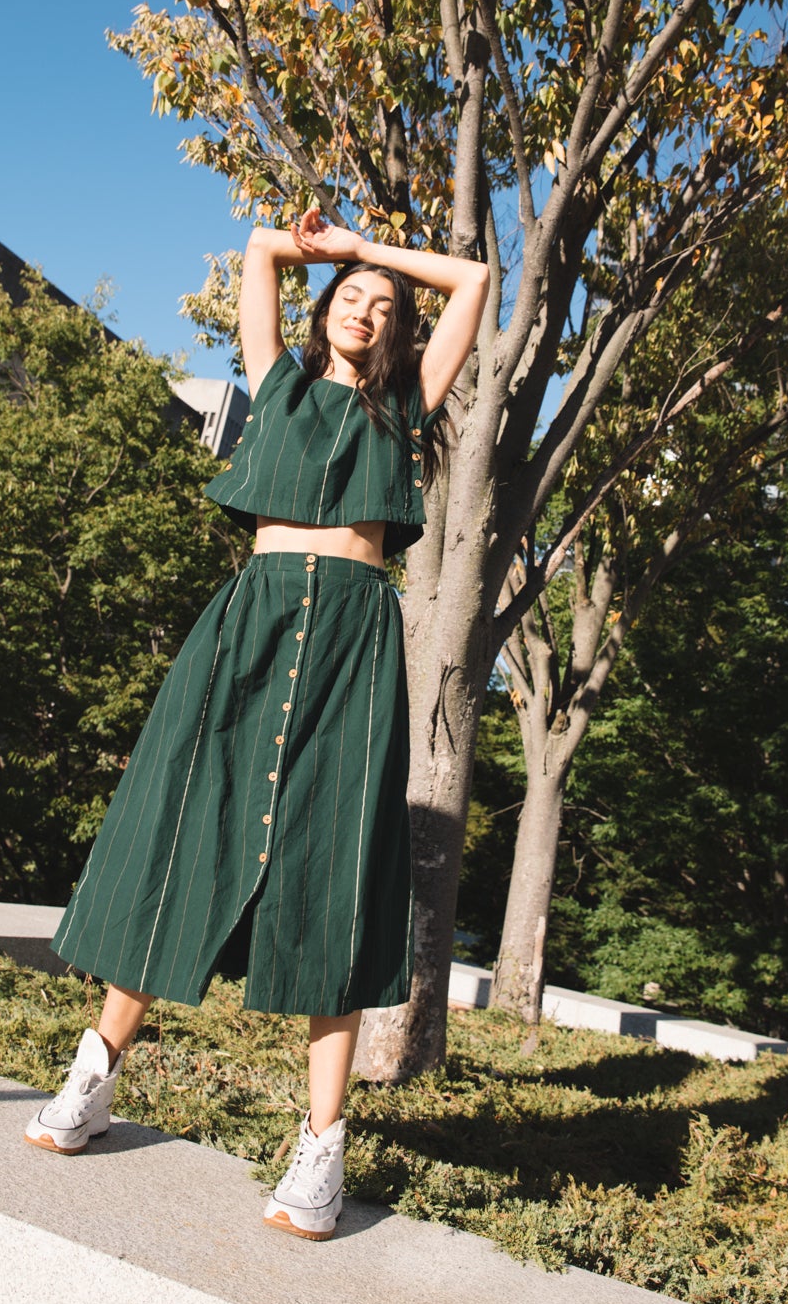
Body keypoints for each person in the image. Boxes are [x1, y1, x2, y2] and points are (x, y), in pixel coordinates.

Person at [25, 208, 488, 1239]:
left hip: (355, 643)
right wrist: (317, 250)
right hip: (251, 623)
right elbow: (261, 254)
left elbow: (474, 281)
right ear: (324, 315)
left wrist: (371, 254)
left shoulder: (406, 404)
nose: (366, 310)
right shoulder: (274, 377)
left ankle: (321, 1147)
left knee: (337, 873)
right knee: (180, 831)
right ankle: (95, 1073)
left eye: (381, 306)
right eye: (352, 300)